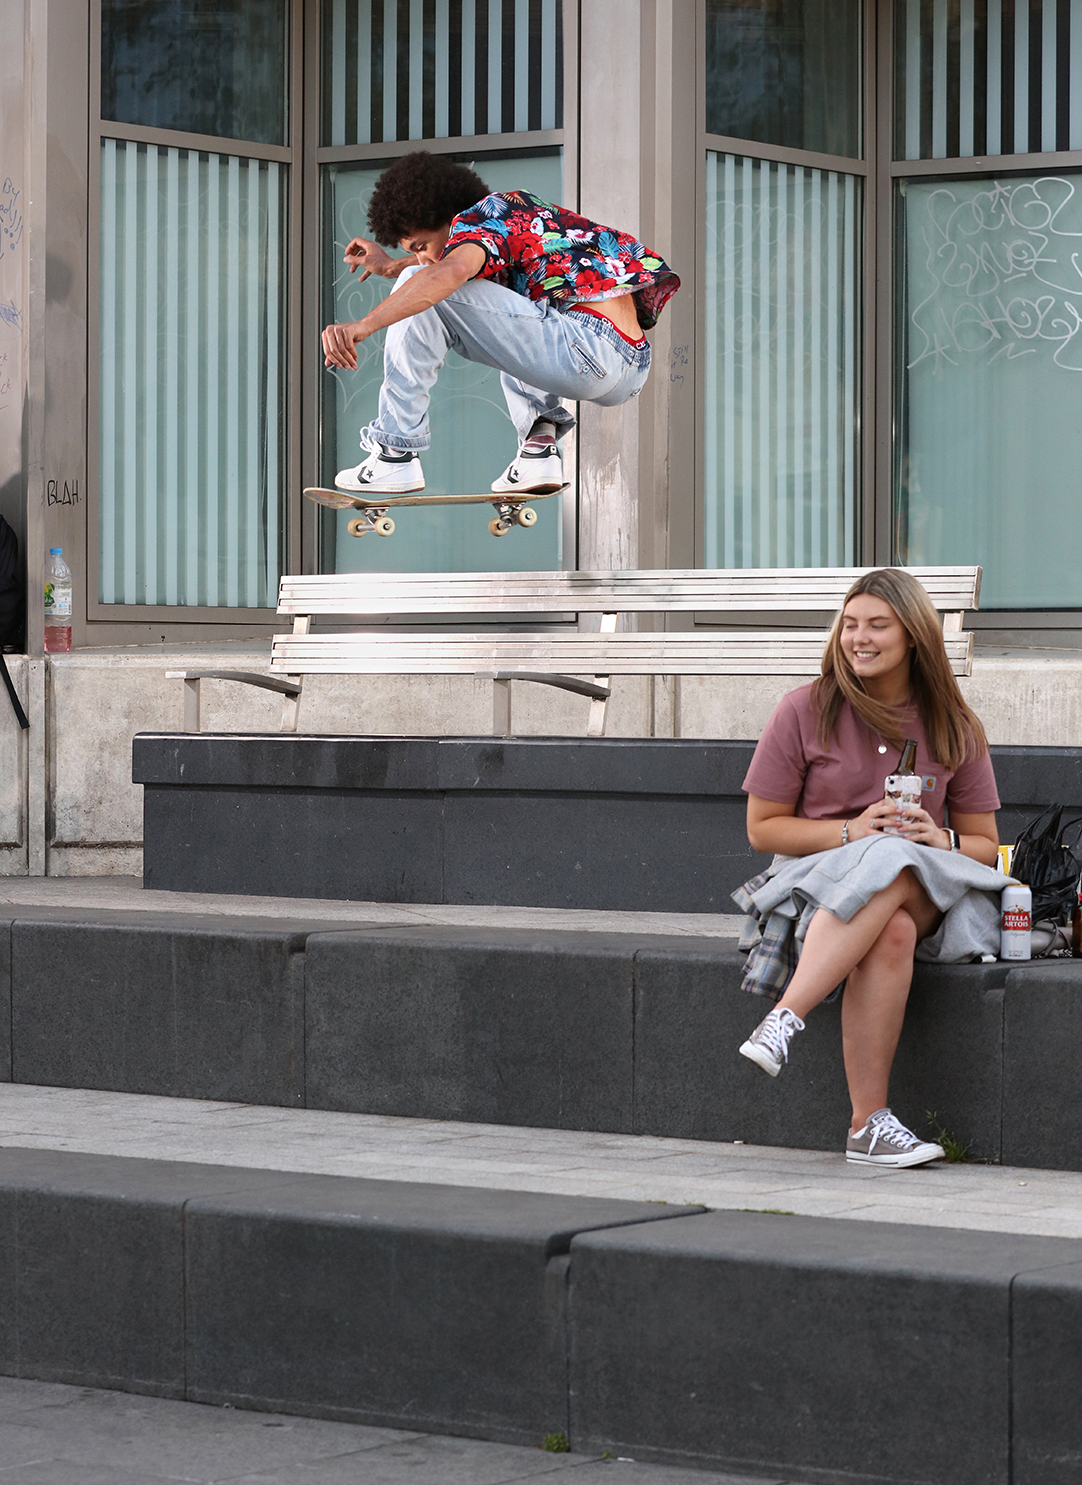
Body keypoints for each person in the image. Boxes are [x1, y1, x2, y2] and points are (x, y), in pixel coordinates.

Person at [735, 568, 1004, 1169]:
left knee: (897, 860)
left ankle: (785, 1017)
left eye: (877, 625)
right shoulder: (804, 709)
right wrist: (853, 831)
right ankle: (868, 1126)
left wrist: (940, 837)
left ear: (913, 636)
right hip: (816, 884)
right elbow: (763, 830)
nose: (859, 637)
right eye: (850, 625)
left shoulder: (955, 725)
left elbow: (986, 845)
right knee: (892, 926)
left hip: (925, 882)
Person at [321, 152, 678, 496]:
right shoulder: (509, 222)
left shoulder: (481, 216)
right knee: (507, 299)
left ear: (449, 215)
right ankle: (539, 449)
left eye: (422, 244)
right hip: (627, 367)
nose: (422, 256)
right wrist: (389, 267)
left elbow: (451, 270)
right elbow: (459, 266)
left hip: (586, 346)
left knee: (427, 281)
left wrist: (364, 326)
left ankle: (393, 452)